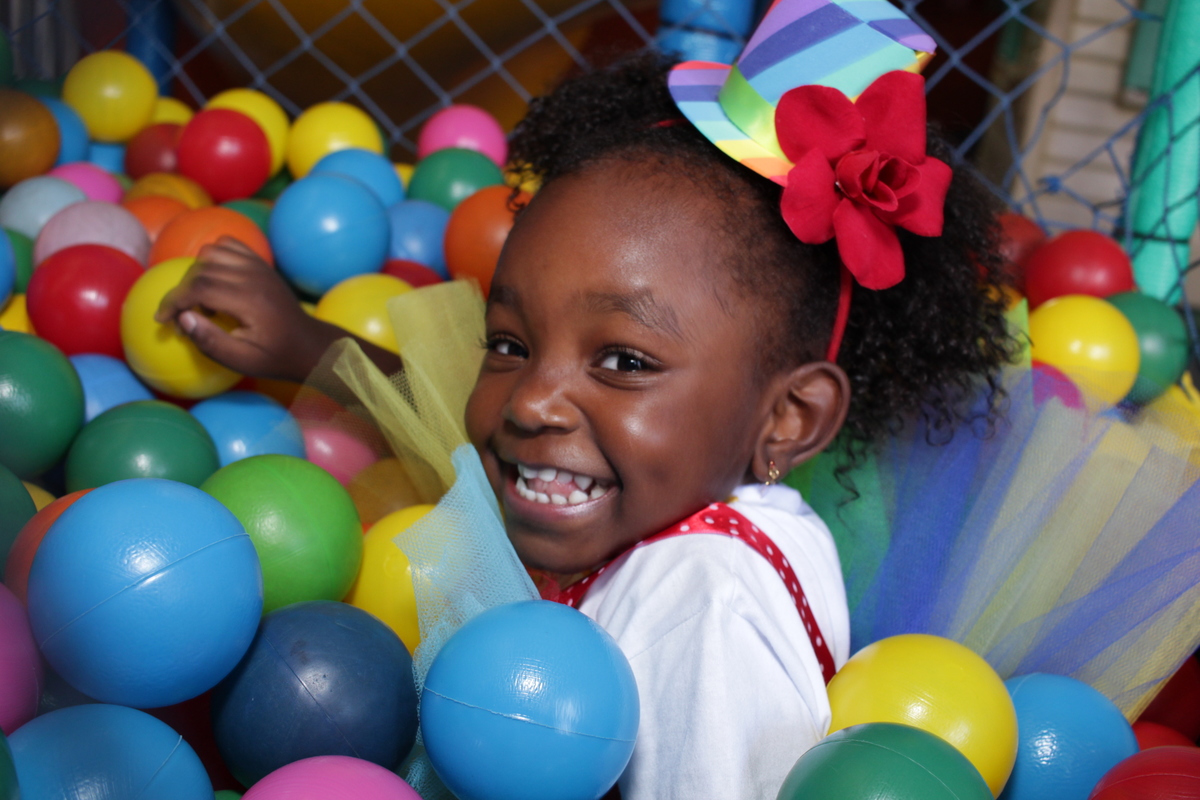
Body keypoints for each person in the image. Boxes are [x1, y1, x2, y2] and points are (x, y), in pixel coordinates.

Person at [156, 5, 1019, 797]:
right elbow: (442, 409)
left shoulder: (701, 600)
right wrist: (309, 345)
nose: (534, 400)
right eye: (509, 343)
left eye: (624, 361)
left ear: (788, 419)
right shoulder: (657, 493)